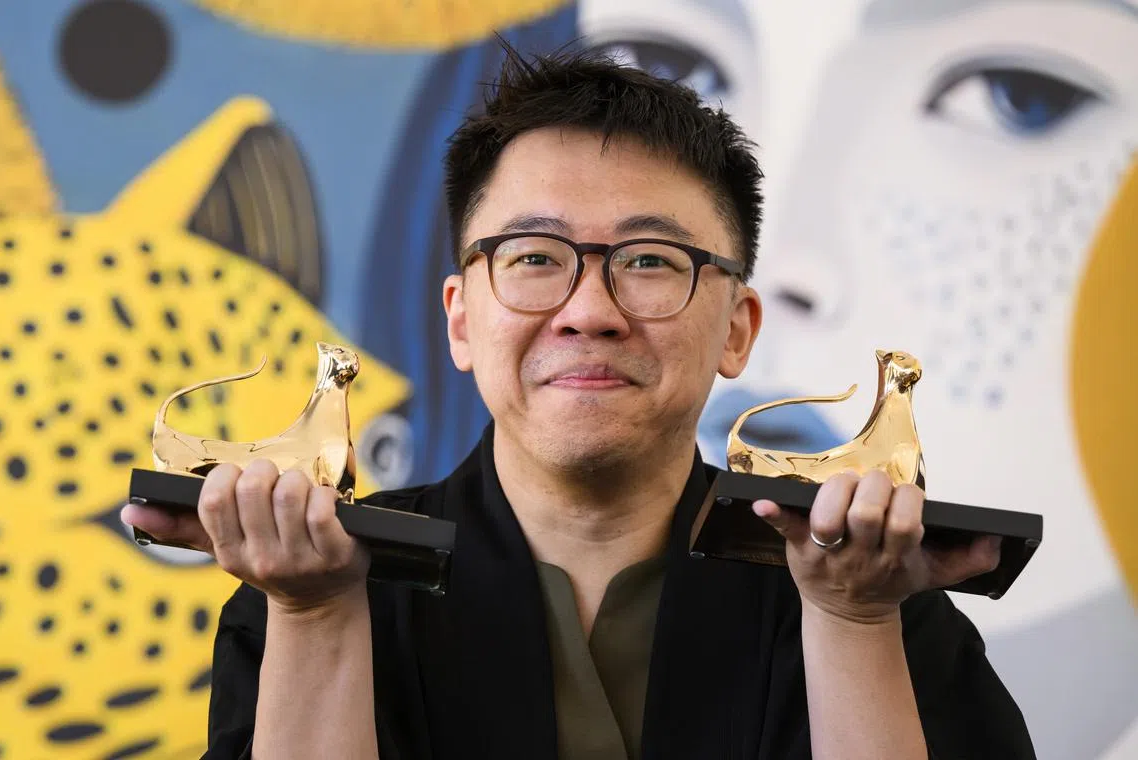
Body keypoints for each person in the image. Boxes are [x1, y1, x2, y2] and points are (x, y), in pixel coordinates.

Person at [121, 45, 1036, 760]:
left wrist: (853, 623)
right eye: (532, 258)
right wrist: (317, 615)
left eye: (649, 261)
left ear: (737, 329)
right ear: (461, 320)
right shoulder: (310, 580)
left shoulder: (878, 587)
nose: (590, 312)